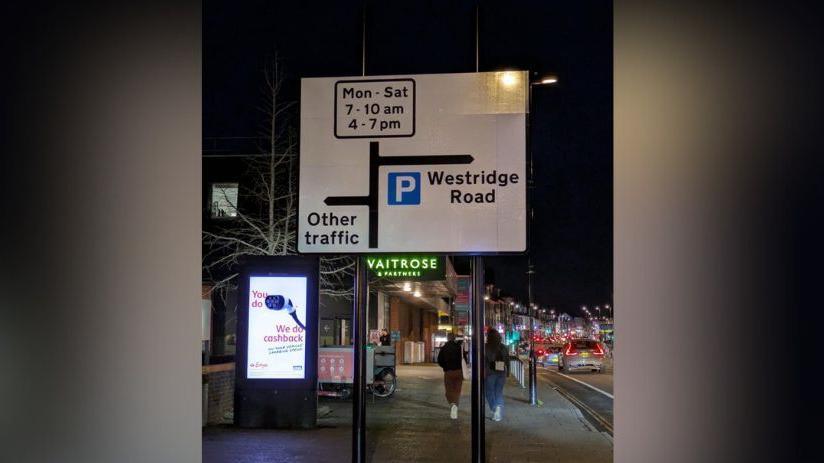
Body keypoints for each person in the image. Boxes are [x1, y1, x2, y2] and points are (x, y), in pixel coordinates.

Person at [437, 332, 464, 419]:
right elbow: (464, 359)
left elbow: (439, 360)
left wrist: (445, 366)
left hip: (449, 372)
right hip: (459, 372)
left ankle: (452, 405)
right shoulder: (459, 347)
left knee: (449, 390)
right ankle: (455, 405)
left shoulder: (444, 347)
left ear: (448, 338)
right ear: (454, 338)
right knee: (457, 390)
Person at [484, 328, 509, 421]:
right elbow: (507, 360)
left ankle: (495, 409)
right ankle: (498, 407)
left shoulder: (486, 347)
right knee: (498, 391)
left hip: (490, 372)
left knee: (489, 392)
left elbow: (483, 360)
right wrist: (508, 372)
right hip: (501, 371)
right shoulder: (503, 347)